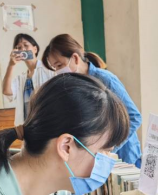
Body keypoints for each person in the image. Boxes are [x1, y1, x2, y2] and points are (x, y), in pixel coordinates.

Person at [43, 34, 143, 168]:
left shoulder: (106, 79)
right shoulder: (75, 84)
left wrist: (109, 149)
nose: (58, 71)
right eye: (54, 68)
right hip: (96, 158)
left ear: (75, 58)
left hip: (124, 157)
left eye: (59, 65)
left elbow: (134, 117)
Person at [2, 33, 56, 127]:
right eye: (19, 48)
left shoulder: (50, 70)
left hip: (47, 125)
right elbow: (6, 91)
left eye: (26, 45)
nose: (23, 49)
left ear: (35, 49)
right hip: (27, 127)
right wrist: (11, 65)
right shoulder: (21, 78)